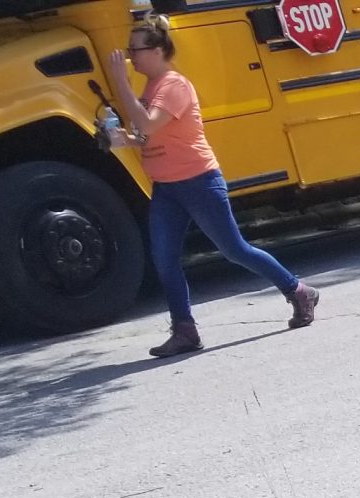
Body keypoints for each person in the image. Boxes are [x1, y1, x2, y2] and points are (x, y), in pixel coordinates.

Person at [104, 15, 319, 358]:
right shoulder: (151, 87)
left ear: (158, 51)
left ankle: (299, 291)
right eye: (129, 50)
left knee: (234, 250)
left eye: (136, 49)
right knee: (164, 260)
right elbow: (148, 135)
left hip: (199, 182)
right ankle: (185, 330)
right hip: (167, 187)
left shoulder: (174, 85)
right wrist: (125, 140)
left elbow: (149, 123)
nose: (130, 56)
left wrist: (120, 83)